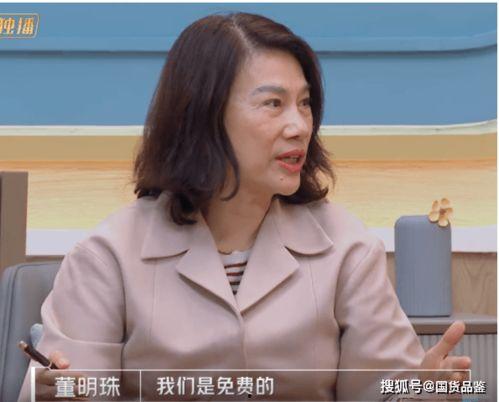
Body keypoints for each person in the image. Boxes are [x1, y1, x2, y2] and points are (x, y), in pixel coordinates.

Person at [18, 12, 471, 401]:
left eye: (305, 104)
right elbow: (72, 386)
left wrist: (422, 388)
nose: (299, 126)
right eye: (273, 103)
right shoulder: (108, 255)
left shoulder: (347, 247)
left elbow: (379, 389)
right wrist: (56, 390)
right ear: (203, 115)